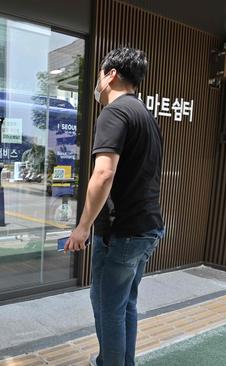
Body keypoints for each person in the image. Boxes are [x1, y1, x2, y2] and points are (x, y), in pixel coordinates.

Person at [65, 47, 165, 366]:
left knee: (107, 306)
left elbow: (104, 173)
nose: (98, 84)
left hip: (123, 233)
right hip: (147, 228)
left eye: (99, 75)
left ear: (111, 75)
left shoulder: (114, 112)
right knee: (126, 304)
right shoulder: (146, 116)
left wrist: (82, 228)